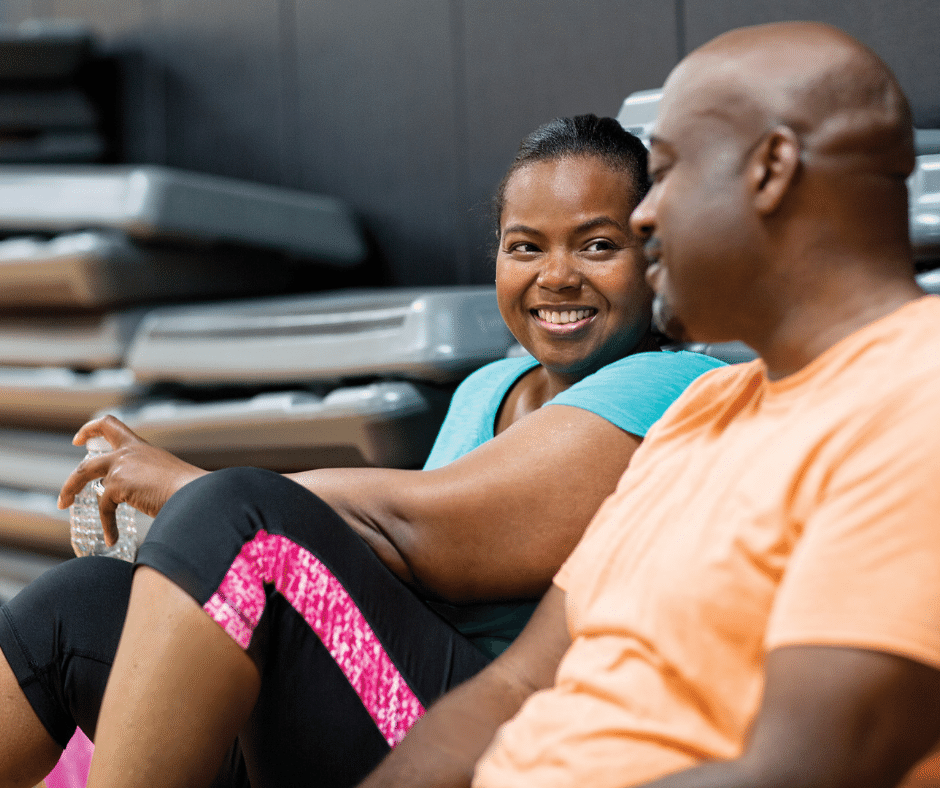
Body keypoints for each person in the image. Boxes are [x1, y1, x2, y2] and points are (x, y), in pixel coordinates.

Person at [0, 116, 722, 788]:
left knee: (238, 522)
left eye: (597, 245)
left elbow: (423, 532)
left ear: (652, 258)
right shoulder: (490, 387)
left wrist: (191, 492)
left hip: (477, 742)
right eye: (526, 246)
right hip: (377, 699)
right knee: (79, 606)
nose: (556, 275)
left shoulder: (672, 389)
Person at [344, 21, 940, 788]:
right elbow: (514, 687)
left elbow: (805, 769)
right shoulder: (703, 409)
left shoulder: (916, 395)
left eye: (666, 174)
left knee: (245, 529)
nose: (645, 217)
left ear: (772, 169)